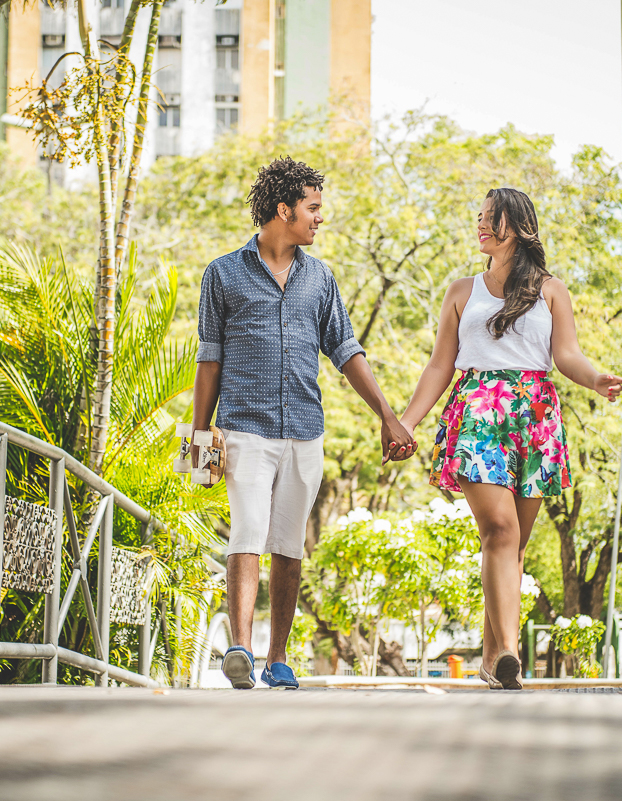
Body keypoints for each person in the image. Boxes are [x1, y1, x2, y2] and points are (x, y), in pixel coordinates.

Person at [192, 157, 416, 690]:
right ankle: (241, 651)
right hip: (244, 425)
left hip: (304, 429)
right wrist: (200, 433)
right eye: (313, 208)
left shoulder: (320, 278)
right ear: (283, 209)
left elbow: (345, 350)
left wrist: (387, 414)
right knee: (247, 530)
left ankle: (278, 658)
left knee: (289, 543)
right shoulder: (222, 273)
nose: (320, 218)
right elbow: (209, 358)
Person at [399, 187, 622, 689]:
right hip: (480, 408)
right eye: (478, 218)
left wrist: (595, 379)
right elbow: (440, 364)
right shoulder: (462, 291)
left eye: (491, 219)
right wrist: (408, 421)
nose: (480, 226)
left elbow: (566, 354)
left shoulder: (551, 290)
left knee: (514, 545)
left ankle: (491, 656)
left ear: (518, 228)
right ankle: (510, 654)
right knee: (499, 531)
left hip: (535, 414)